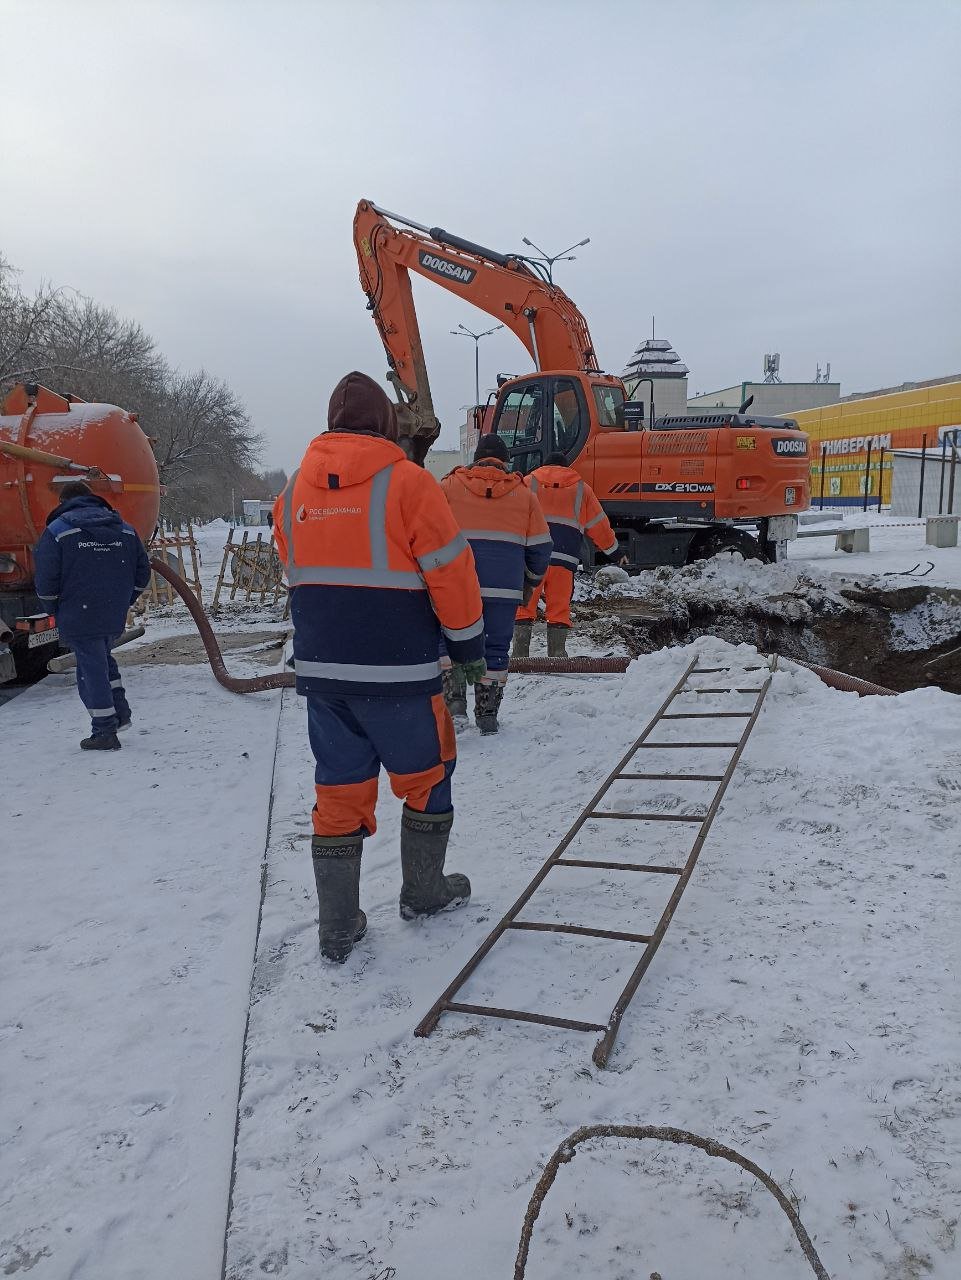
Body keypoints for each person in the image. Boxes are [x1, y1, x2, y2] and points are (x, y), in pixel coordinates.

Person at [273, 371, 486, 964]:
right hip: (400, 676)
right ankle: (423, 890)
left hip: (324, 678)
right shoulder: (410, 485)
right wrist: (469, 650)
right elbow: (451, 572)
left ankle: (337, 926)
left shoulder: (292, 494)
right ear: (389, 425)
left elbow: (299, 568)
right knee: (428, 776)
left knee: (338, 791)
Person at [439, 434, 551, 733]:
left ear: (476, 458)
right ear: (505, 462)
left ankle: (455, 703)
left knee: (449, 640)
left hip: (456, 588)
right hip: (504, 589)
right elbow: (541, 548)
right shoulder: (525, 495)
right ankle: (487, 715)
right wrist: (529, 582)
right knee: (496, 648)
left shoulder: (448, 487)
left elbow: (429, 536)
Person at [33, 481, 151, 750]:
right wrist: (124, 600)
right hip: (112, 612)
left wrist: (53, 608)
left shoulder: (58, 531)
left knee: (90, 670)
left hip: (77, 611)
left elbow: (46, 579)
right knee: (103, 660)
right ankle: (120, 714)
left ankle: (104, 731)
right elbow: (142, 572)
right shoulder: (125, 530)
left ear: (64, 503)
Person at [513, 452, 622, 658]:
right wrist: (614, 551)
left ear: (544, 465)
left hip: (532, 559)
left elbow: (510, 519)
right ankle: (557, 655)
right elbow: (599, 524)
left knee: (524, 607)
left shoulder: (527, 483)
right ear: (566, 468)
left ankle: (519, 656)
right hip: (565, 559)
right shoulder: (582, 489)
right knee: (559, 608)